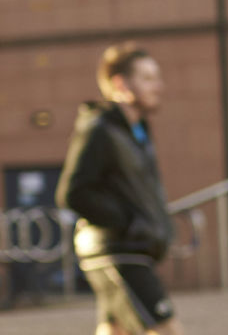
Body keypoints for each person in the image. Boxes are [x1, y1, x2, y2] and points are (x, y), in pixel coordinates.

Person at [57, 44, 178, 335]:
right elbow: (72, 193)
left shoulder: (136, 131)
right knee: (167, 330)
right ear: (121, 84)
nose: (158, 86)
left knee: (114, 330)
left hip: (128, 249)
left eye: (157, 78)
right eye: (147, 79)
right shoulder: (99, 128)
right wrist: (127, 223)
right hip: (118, 251)